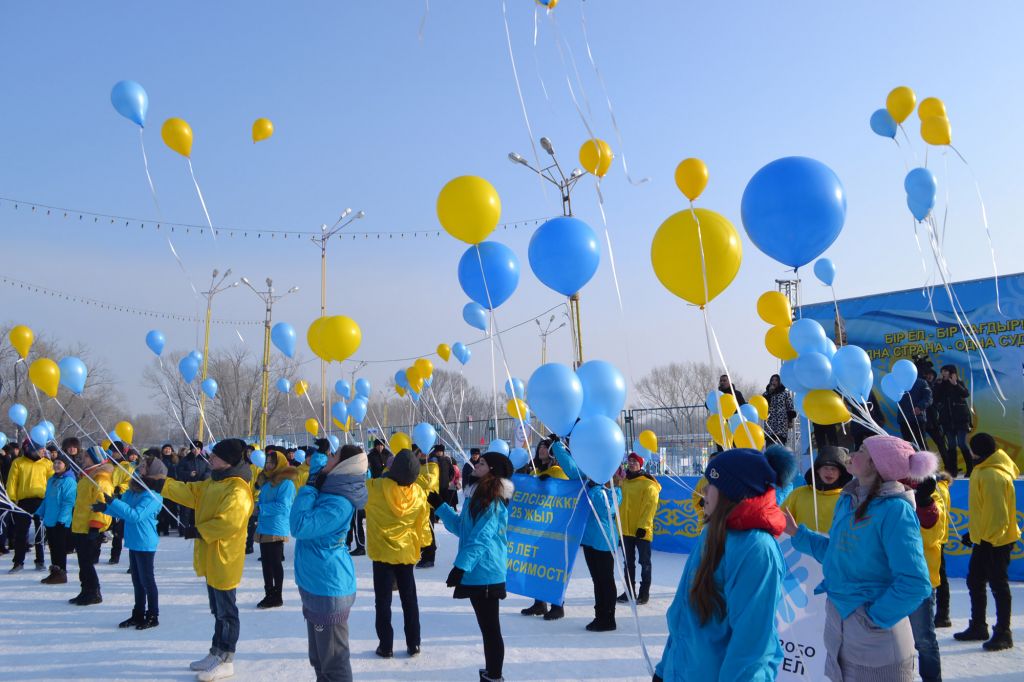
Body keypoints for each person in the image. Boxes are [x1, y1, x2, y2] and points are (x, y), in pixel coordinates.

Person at [784, 435, 935, 681]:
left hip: (876, 640)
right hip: (840, 630)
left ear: (876, 464)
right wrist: (796, 534)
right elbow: (837, 554)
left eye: (862, 450)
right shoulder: (848, 499)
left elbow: (915, 583)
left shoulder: (895, 510)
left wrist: (872, 619)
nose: (853, 454)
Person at [654, 447, 796, 681]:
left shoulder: (756, 549)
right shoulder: (711, 533)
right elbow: (683, 617)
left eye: (711, 484)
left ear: (732, 491)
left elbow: (751, 647)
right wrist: (664, 670)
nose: (703, 491)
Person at [162, 438, 254, 681]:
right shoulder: (214, 482)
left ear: (228, 460)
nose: (209, 458)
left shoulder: (237, 489)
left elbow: (229, 522)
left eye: (215, 456)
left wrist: (199, 530)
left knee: (227, 611)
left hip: (225, 557)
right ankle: (216, 651)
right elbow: (191, 492)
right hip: (211, 556)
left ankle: (227, 657)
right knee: (217, 609)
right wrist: (162, 484)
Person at [428, 447, 513, 682]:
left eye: (483, 463)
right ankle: (492, 671)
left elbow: (481, 538)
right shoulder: (476, 497)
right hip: (477, 571)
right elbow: (462, 529)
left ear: (493, 472)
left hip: (486, 571)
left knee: (491, 630)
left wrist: (460, 567)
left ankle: (495, 676)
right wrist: (441, 506)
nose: (477, 465)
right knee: (487, 629)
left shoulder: (493, 502)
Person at [290, 444, 368, 682]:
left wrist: (311, 485)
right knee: (319, 658)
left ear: (344, 465)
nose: (328, 459)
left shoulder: (338, 503)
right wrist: (315, 479)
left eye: (334, 456)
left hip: (328, 587)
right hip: (316, 583)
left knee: (333, 663)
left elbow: (299, 526)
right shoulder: (330, 490)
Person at [954, 432, 1019, 651]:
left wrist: (988, 542)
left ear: (977, 451)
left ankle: (1004, 632)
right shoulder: (984, 470)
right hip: (985, 538)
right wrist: (972, 533)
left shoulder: (992, 475)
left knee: (998, 584)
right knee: (975, 580)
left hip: (996, 541)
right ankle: (979, 626)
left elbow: (998, 516)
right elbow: (983, 511)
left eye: (971, 449)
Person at [365, 448, 431, 658]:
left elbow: (359, 490)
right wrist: (424, 543)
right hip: (405, 554)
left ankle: (386, 645)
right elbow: (424, 524)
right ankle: (414, 643)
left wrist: (386, 470)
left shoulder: (376, 488)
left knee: (382, 601)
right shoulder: (419, 493)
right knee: (409, 599)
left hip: (382, 553)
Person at [552, 440, 622, 632]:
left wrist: (594, 486)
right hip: (590, 540)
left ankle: (609, 617)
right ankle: (600, 614)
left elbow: (602, 508)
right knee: (597, 580)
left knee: (605, 580)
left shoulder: (614, 491)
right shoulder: (588, 481)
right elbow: (571, 467)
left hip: (604, 541)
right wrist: (557, 446)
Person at [96, 456, 166, 630]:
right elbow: (124, 510)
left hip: (145, 541)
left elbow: (135, 515)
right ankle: (138, 613)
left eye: (143, 466)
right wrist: (106, 507)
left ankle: (153, 615)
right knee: (136, 580)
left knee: (147, 579)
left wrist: (114, 502)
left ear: (152, 472)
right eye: (140, 465)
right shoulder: (133, 490)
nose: (139, 468)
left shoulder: (153, 496)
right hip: (134, 541)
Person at [520, 438, 570, 620]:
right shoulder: (534, 471)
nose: (541, 449)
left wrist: (548, 482)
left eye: (545, 447)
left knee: (552, 566)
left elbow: (563, 492)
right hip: (535, 525)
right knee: (535, 564)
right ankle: (539, 602)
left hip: (553, 526)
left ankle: (557, 605)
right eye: (540, 446)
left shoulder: (558, 471)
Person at [906, 475, 944, 682]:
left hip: (921, 582)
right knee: (886, 640)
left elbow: (933, 537)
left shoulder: (934, 497)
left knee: (923, 640)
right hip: (888, 580)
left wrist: (923, 502)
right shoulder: (888, 494)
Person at [69, 446, 116, 605]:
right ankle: (85, 590)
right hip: (81, 524)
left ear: (95, 459)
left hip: (91, 527)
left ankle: (94, 592)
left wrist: (95, 527)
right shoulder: (87, 476)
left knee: (87, 562)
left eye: (87, 457)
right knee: (83, 562)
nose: (84, 459)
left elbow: (102, 504)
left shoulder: (101, 479)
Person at [616, 452, 661, 606]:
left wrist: (643, 526)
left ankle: (644, 592)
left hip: (641, 530)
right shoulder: (625, 481)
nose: (632, 463)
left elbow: (650, 507)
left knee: (644, 561)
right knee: (628, 562)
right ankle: (629, 590)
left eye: (635, 461)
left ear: (641, 464)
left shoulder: (649, 484)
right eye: (629, 461)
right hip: (626, 529)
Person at [255, 448, 297, 609]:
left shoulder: (286, 483)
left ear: (279, 463)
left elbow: (283, 506)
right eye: (267, 462)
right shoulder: (267, 480)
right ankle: (268, 593)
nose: (268, 465)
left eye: (271, 462)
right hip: (265, 525)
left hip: (276, 527)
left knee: (274, 563)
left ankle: (277, 595)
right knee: (266, 563)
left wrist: (261, 509)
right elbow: (263, 499)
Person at [781, 446, 853, 533]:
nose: (829, 472)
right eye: (826, 468)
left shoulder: (847, 499)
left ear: (841, 472)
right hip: (800, 545)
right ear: (817, 470)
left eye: (834, 469)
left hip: (833, 546)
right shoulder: (798, 494)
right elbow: (780, 519)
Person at [7, 439, 53, 572]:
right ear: (32, 450)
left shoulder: (47, 464)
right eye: (41, 449)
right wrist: (12, 500)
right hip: (23, 502)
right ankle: (18, 562)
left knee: (41, 532)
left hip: (41, 501)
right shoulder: (18, 463)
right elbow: (12, 482)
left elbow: (51, 483)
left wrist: (50, 500)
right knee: (21, 533)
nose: (43, 451)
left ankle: (40, 560)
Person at [36, 453, 77, 584]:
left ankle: (61, 572)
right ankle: (55, 572)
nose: (56, 465)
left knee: (60, 548)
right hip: (49, 519)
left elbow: (68, 502)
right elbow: (47, 499)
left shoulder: (69, 481)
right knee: (53, 547)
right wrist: (39, 512)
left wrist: (62, 520)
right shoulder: (52, 480)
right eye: (55, 462)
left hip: (60, 522)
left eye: (59, 463)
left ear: (66, 465)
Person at [933, 365, 973, 477]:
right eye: (942, 371)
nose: (943, 373)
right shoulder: (940, 384)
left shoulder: (958, 382)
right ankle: (953, 471)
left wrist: (955, 384)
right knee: (951, 445)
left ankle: (970, 468)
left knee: (962, 443)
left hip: (961, 419)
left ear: (951, 372)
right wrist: (938, 385)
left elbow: (965, 394)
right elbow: (935, 398)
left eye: (945, 371)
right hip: (947, 420)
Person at [107, 442, 137, 564]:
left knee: (120, 529)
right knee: (113, 528)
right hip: (109, 497)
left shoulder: (127, 466)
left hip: (122, 499)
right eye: (111, 452)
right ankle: (112, 554)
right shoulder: (107, 465)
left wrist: (120, 488)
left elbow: (130, 481)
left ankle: (121, 556)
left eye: (115, 452)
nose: (113, 454)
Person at [933, 471, 954, 628]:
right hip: (940, 538)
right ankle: (943, 613)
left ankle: (942, 614)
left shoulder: (938, 488)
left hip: (935, 538)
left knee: (938, 578)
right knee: (940, 577)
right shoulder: (942, 486)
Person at [175, 441, 209, 536]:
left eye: (198, 449)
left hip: (200, 488)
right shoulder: (185, 460)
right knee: (185, 510)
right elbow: (179, 472)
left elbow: (209, 470)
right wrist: (189, 474)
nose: (196, 450)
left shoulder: (204, 460)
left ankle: (195, 530)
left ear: (201, 449)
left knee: (198, 510)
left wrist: (205, 477)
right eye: (194, 448)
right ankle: (183, 530)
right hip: (188, 488)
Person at [415, 446, 440, 569]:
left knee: (429, 530)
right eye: (421, 451)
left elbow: (428, 482)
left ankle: (430, 557)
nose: (423, 454)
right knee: (419, 530)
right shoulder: (417, 465)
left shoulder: (433, 466)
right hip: (416, 503)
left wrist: (414, 476)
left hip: (428, 503)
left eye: (425, 451)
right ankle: (422, 554)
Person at [898, 374, 932, 450]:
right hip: (903, 418)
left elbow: (928, 398)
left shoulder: (921, 382)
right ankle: (910, 461)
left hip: (918, 418)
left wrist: (920, 407)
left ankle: (927, 461)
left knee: (921, 443)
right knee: (907, 445)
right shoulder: (899, 382)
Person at [763, 374, 794, 445]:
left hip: (782, 423)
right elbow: (764, 406)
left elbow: (790, 408)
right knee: (770, 444)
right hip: (770, 422)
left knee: (781, 444)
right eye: (772, 380)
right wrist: (769, 394)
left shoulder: (785, 393)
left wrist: (790, 421)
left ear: (779, 382)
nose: (774, 382)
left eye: (776, 380)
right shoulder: (766, 394)